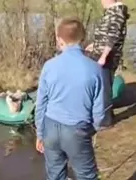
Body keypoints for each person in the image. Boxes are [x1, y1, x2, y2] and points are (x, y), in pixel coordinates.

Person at [35, 18, 106, 180]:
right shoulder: (95, 69)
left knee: (55, 175)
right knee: (86, 176)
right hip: (77, 129)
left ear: (59, 40)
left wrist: (40, 134)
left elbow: (41, 104)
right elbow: (99, 111)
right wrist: (91, 129)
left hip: (50, 127)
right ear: (83, 38)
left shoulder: (49, 66)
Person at [86, 0, 130, 124]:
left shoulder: (117, 12)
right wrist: (94, 45)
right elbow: (105, 34)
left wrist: (104, 56)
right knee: (103, 86)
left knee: (104, 88)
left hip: (108, 57)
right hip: (101, 54)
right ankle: (106, 115)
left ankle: (105, 122)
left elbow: (113, 36)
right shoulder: (110, 12)